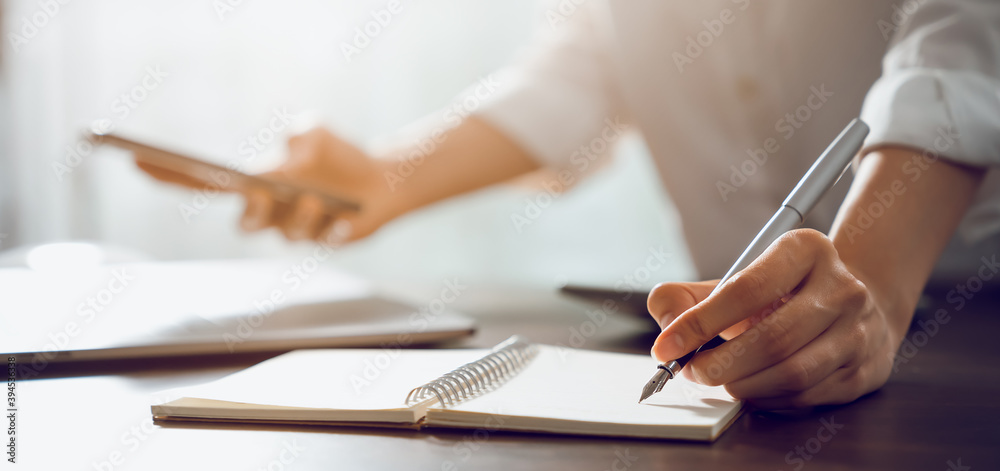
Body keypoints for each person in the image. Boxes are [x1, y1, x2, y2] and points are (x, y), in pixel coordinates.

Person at [138, 1, 1000, 409]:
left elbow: (957, 61)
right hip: (742, 351)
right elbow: (570, 81)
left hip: (967, 334)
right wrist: (380, 178)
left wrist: (871, 292)